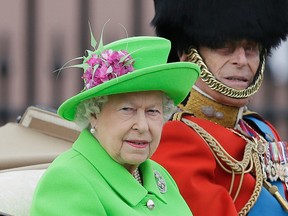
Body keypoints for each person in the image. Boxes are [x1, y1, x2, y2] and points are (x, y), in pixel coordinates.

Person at [29, 30, 200, 215]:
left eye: (152, 111)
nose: (142, 126)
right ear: (94, 113)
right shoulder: (68, 180)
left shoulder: (159, 176)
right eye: (127, 109)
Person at [151, 0, 288, 215]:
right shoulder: (177, 137)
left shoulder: (261, 130)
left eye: (250, 48)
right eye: (225, 47)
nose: (241, 60)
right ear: (187, 54)